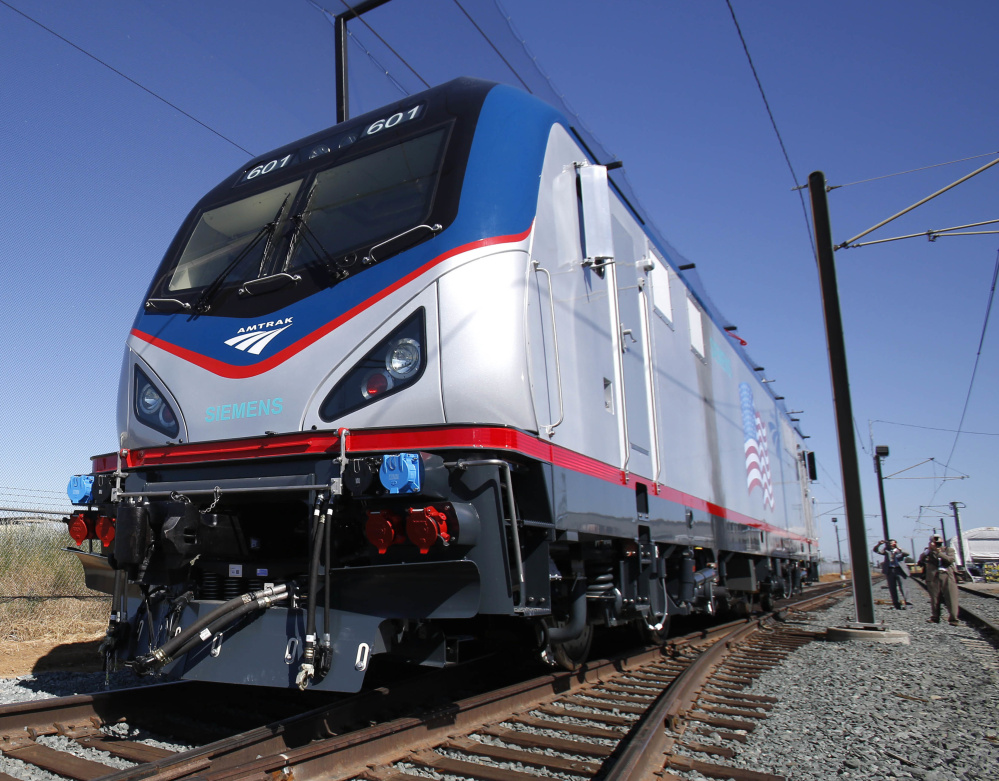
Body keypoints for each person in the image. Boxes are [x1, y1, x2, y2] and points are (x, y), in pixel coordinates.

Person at [917, 535, 959, 625]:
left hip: (947, 575)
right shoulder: (928, 551)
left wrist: (938, 552)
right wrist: (929, 550)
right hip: (933, 576)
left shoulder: (949, 550)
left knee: (951, 597)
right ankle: (935, 617)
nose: (936, 542)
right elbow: (921, 560)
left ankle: (953, 619)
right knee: (935, 598)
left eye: (938, 540)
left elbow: (950, 560)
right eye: (934, 540)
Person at [872, 539, 909, 609]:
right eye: (889, 543)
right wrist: (879, 544)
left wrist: (898, 548)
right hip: (890, 570)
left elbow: (907, 553)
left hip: (900, 570)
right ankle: (896, 604)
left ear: (895, 543)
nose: (891, 544)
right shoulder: (886, 551)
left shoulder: (900, 550)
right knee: (892, 588)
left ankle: (908, 604)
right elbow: (876, 550)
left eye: (892, 543)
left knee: (903, 588)